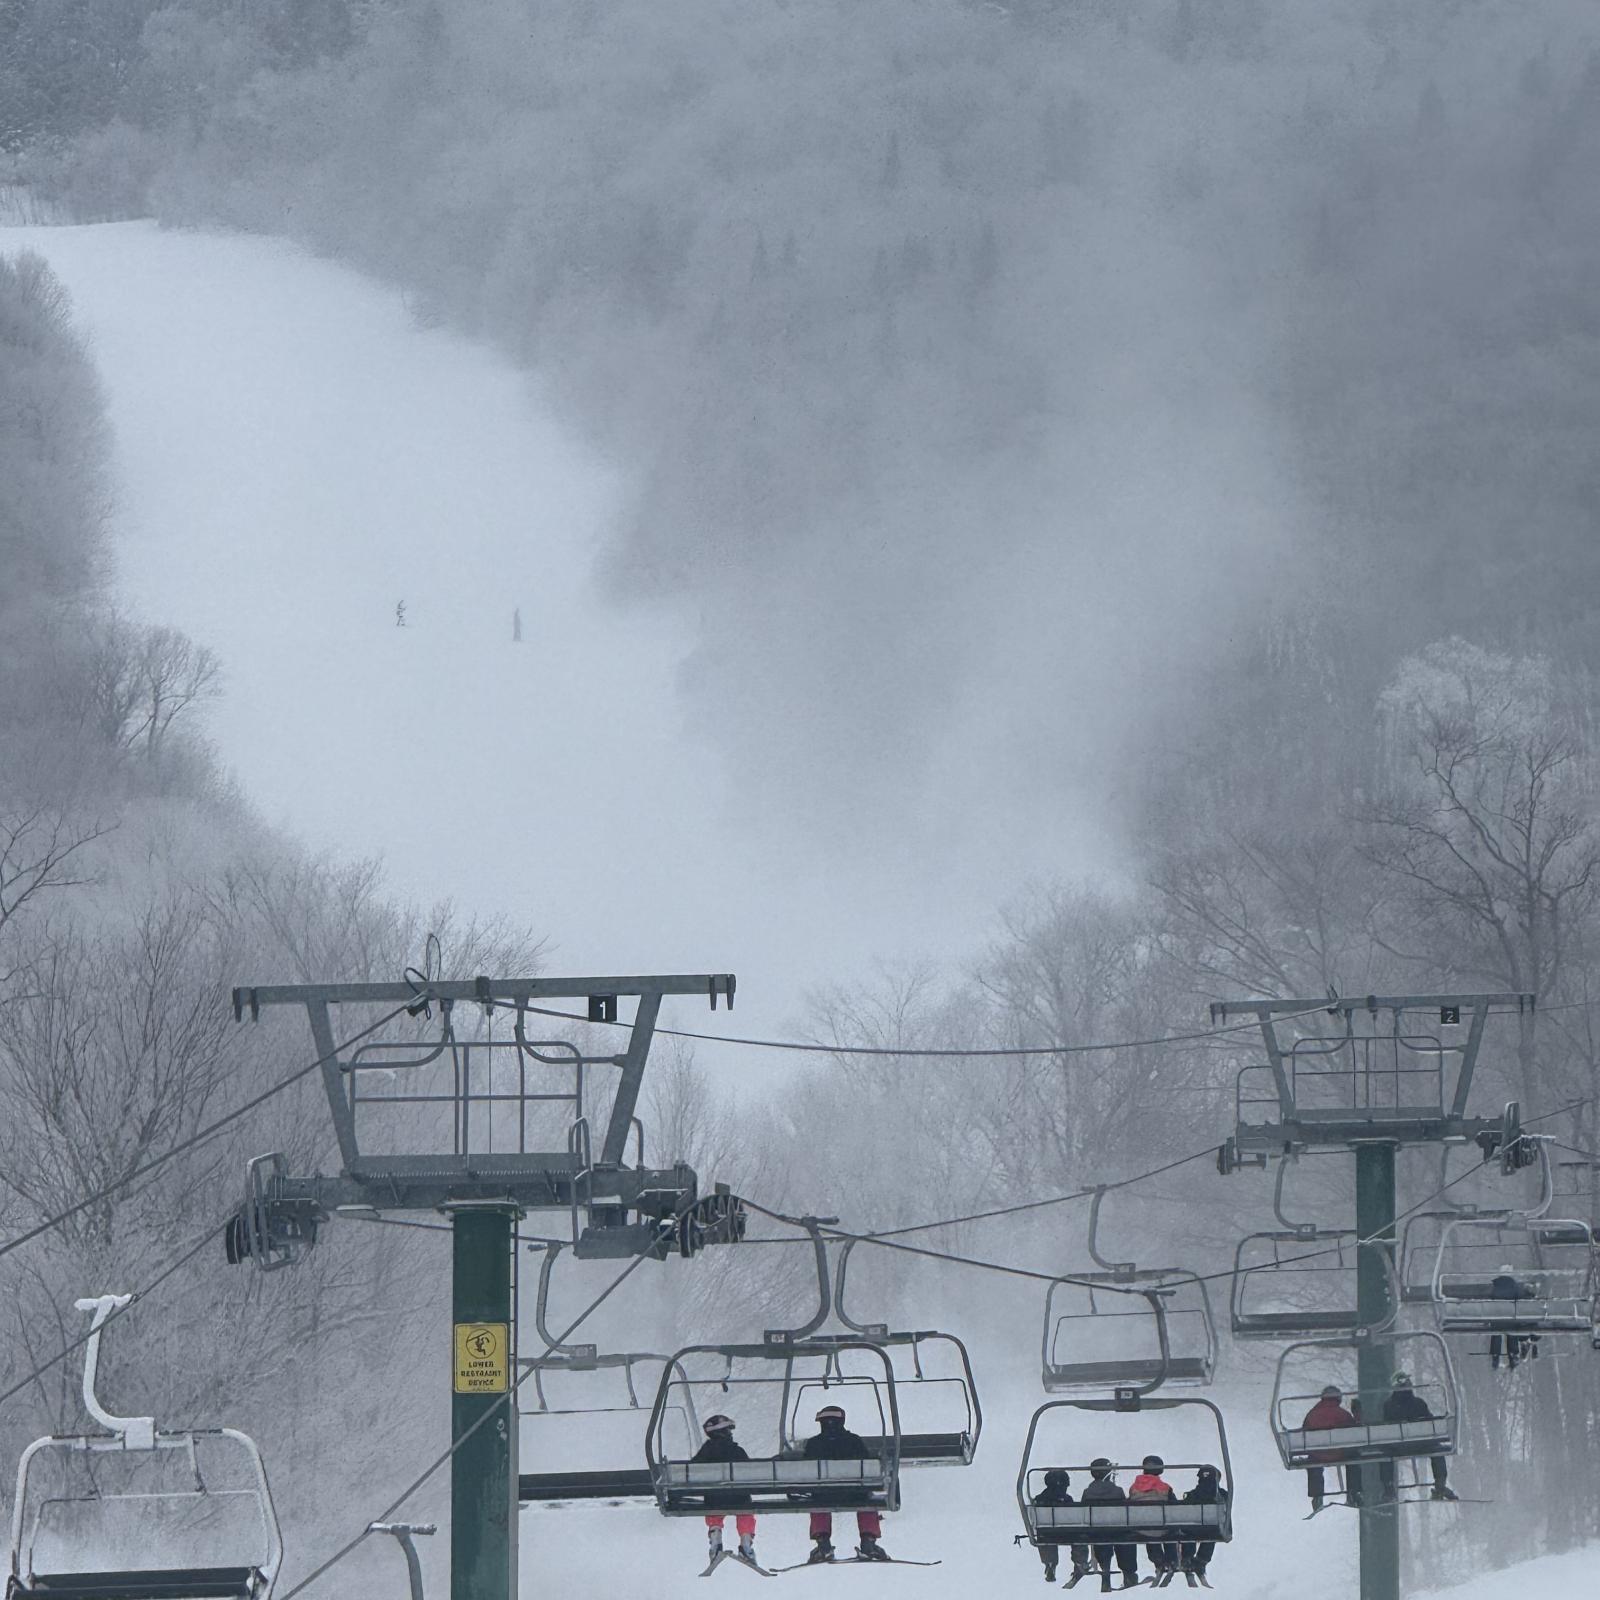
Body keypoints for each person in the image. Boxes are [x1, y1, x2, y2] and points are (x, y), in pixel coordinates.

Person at [803, 1405, 889, 1563]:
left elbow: (805, 1470)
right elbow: (868, 1468)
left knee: (816, 1499)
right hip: (855, 1494)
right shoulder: (854, 1441)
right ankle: (868, 1542)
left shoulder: (813, 1444)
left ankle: (823, 1544)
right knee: (868, 1500)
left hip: (823, 1495)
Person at [1379, 1372, 1457, 1503]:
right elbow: (1430, 1422)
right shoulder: (1418, 1403)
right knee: (1437, 1450)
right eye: (1408, 1381)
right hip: (1421, 1445)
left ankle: (1388, 1489)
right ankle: (1440, 1485)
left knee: (1385, 1455)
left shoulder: (1389, 1405)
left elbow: (1388, 1428)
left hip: (1398, 1447)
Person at [692, 1414, 758, 1564]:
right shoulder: (738, 1451)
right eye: (729, 1431)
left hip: (715, 1499)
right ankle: (746, 1545)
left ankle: (716, 1542)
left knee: (713, 1509)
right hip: (739, 1498)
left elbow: (692, 1471)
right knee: (745, 1512)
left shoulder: (706, 1452)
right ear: (724, 1433)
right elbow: (750, 1473)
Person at [1080, 1458, 1140, 1592]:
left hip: (1097, 1531)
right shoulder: (1117, 1491)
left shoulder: (1087, 1492)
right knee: (1125, 1539)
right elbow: (1124, 1513)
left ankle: (1105, 1568)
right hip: (1117, 1531)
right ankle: (1129, 1574)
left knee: (1101, 1538)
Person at [1301, 1384, 1362, 1512]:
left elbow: (1304, 1433)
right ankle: (1354, 1492)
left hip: (1318, 1454)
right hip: (1340, 1452)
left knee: (1313, 1463)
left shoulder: (1312, 1415)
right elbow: (1354, 1432)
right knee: (1354, 1459)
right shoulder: (1343, 1414)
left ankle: (1317, 1495)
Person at [1031, 1469, 1092, 1586]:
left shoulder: (1040, 1499)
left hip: (1046, 1533)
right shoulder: (1067, 1499)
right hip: (1067, 1532)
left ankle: (1050, 1563)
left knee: (1044, 1537)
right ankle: (1080, 1562)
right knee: (1080, 1537)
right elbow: (1073, 1517)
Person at [1127, 1455, 1178, 1583]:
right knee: (1170, 1530)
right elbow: (1175, 1507)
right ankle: (1172, 1561)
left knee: (1149, 1531)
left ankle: (1158, 1562)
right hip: (1163, 1528)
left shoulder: (1133, 1488)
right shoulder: (1165, 1487)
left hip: (1143, 1529)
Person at [1178, 1465, 1228, 1585]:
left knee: (1188, 1532)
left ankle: (1187, 1558)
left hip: (1193, 1530)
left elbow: (1184, 1512)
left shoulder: (1192, 1494)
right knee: (1212, 1533)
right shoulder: (1221, 1495)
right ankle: (1201, 1560)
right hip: (1213, 1530)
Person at [1489, 1264, 1540, 1369]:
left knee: (1496, 1333)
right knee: (1512, 1333)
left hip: (1496, 1317)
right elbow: (1521, 1298)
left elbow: (1490, 1297)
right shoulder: (1515, 1286)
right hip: (1510, 1317)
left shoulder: (1494, 1285)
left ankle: (1495, 1356)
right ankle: (1513, 1355)